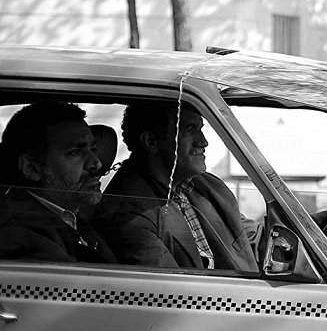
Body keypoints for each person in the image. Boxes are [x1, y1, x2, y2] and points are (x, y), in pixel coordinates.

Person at [96, 103, 261, 271]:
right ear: (151, 141)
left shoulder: (203, 184)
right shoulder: (126, 211)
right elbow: (169, 284)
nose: (203, 142)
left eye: (200, 128)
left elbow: (243, 234)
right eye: (190, 129)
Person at [0, 101, 117, 264]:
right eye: (75, 152)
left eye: (92, 148)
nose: (96, 163)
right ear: (32, 169)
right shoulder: (20, 234)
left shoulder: (69, 214)